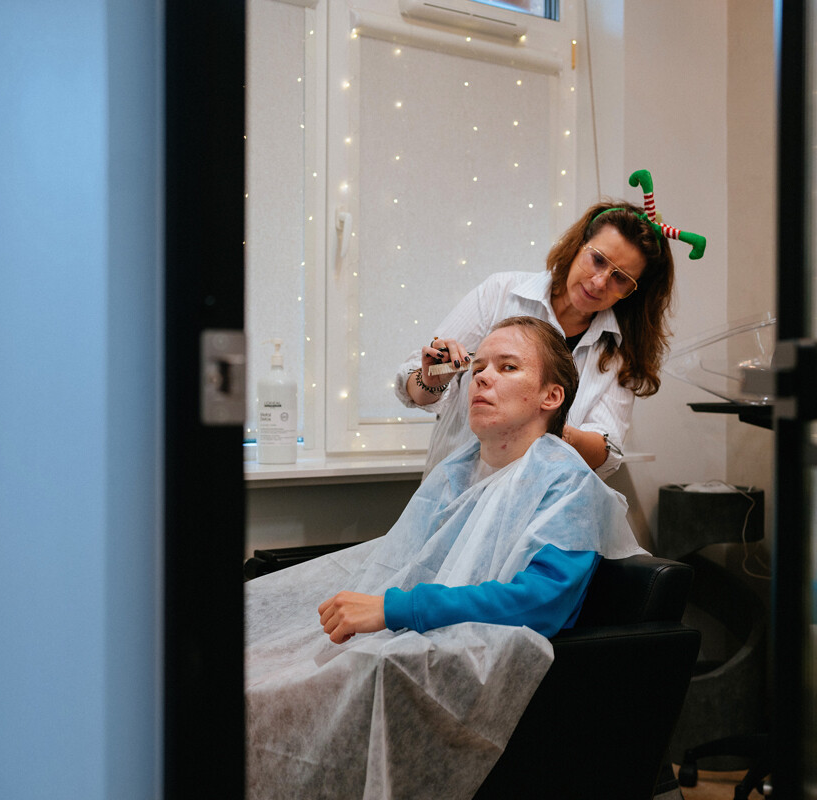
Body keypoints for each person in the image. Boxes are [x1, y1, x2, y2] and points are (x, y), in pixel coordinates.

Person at [246, 316, 644, 800]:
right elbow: (402, 561)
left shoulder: (568, 486)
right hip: (404, 639)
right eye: (478, 367)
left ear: (551, 396)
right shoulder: (457, 472)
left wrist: (392, 608)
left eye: (508, 367)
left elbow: (540, 603)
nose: (482, 377)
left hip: (468, 668)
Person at [396, 200, 676, 479]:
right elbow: (412, 384)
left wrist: (543, 428)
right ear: (578, 246)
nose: (599, 282)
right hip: (456, 488)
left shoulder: (621, 350)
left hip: (543, 499)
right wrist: (431, 380)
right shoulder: (501, 293)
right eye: (598, 260)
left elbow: (607, 449)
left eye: (621, 278)